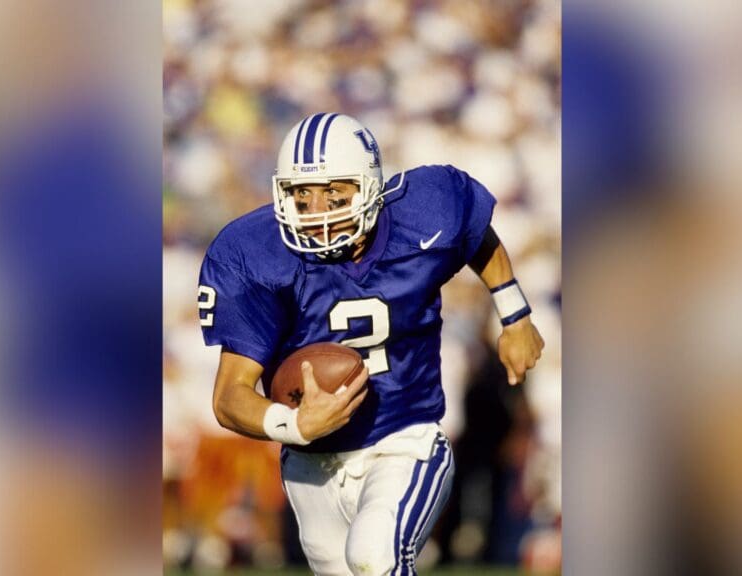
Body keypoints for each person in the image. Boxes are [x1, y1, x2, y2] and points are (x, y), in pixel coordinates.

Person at [197, 113, 544, 575]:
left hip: (405, 437)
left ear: (370, 188)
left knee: (374, 558)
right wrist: (295, 424)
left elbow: (475, 235)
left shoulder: (426, 211)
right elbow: (229, 397)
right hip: (311, 461)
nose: (317, 211)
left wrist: (514, 313)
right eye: (303, 194)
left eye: (335, 193)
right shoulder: (254, 255)